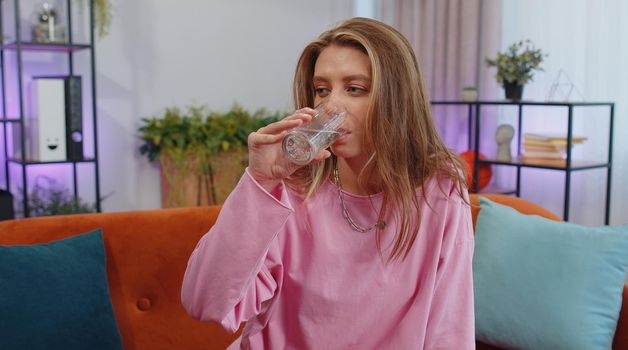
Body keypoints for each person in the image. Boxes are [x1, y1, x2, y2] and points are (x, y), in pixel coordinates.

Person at [181, 17, 475, 349]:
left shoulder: (441, 192)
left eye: (355, 89)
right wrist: (259, 182)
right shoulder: (289, 190)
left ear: (397, 99)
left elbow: (450, 331)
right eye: (322, 89)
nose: (330, 105)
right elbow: (204, 303)